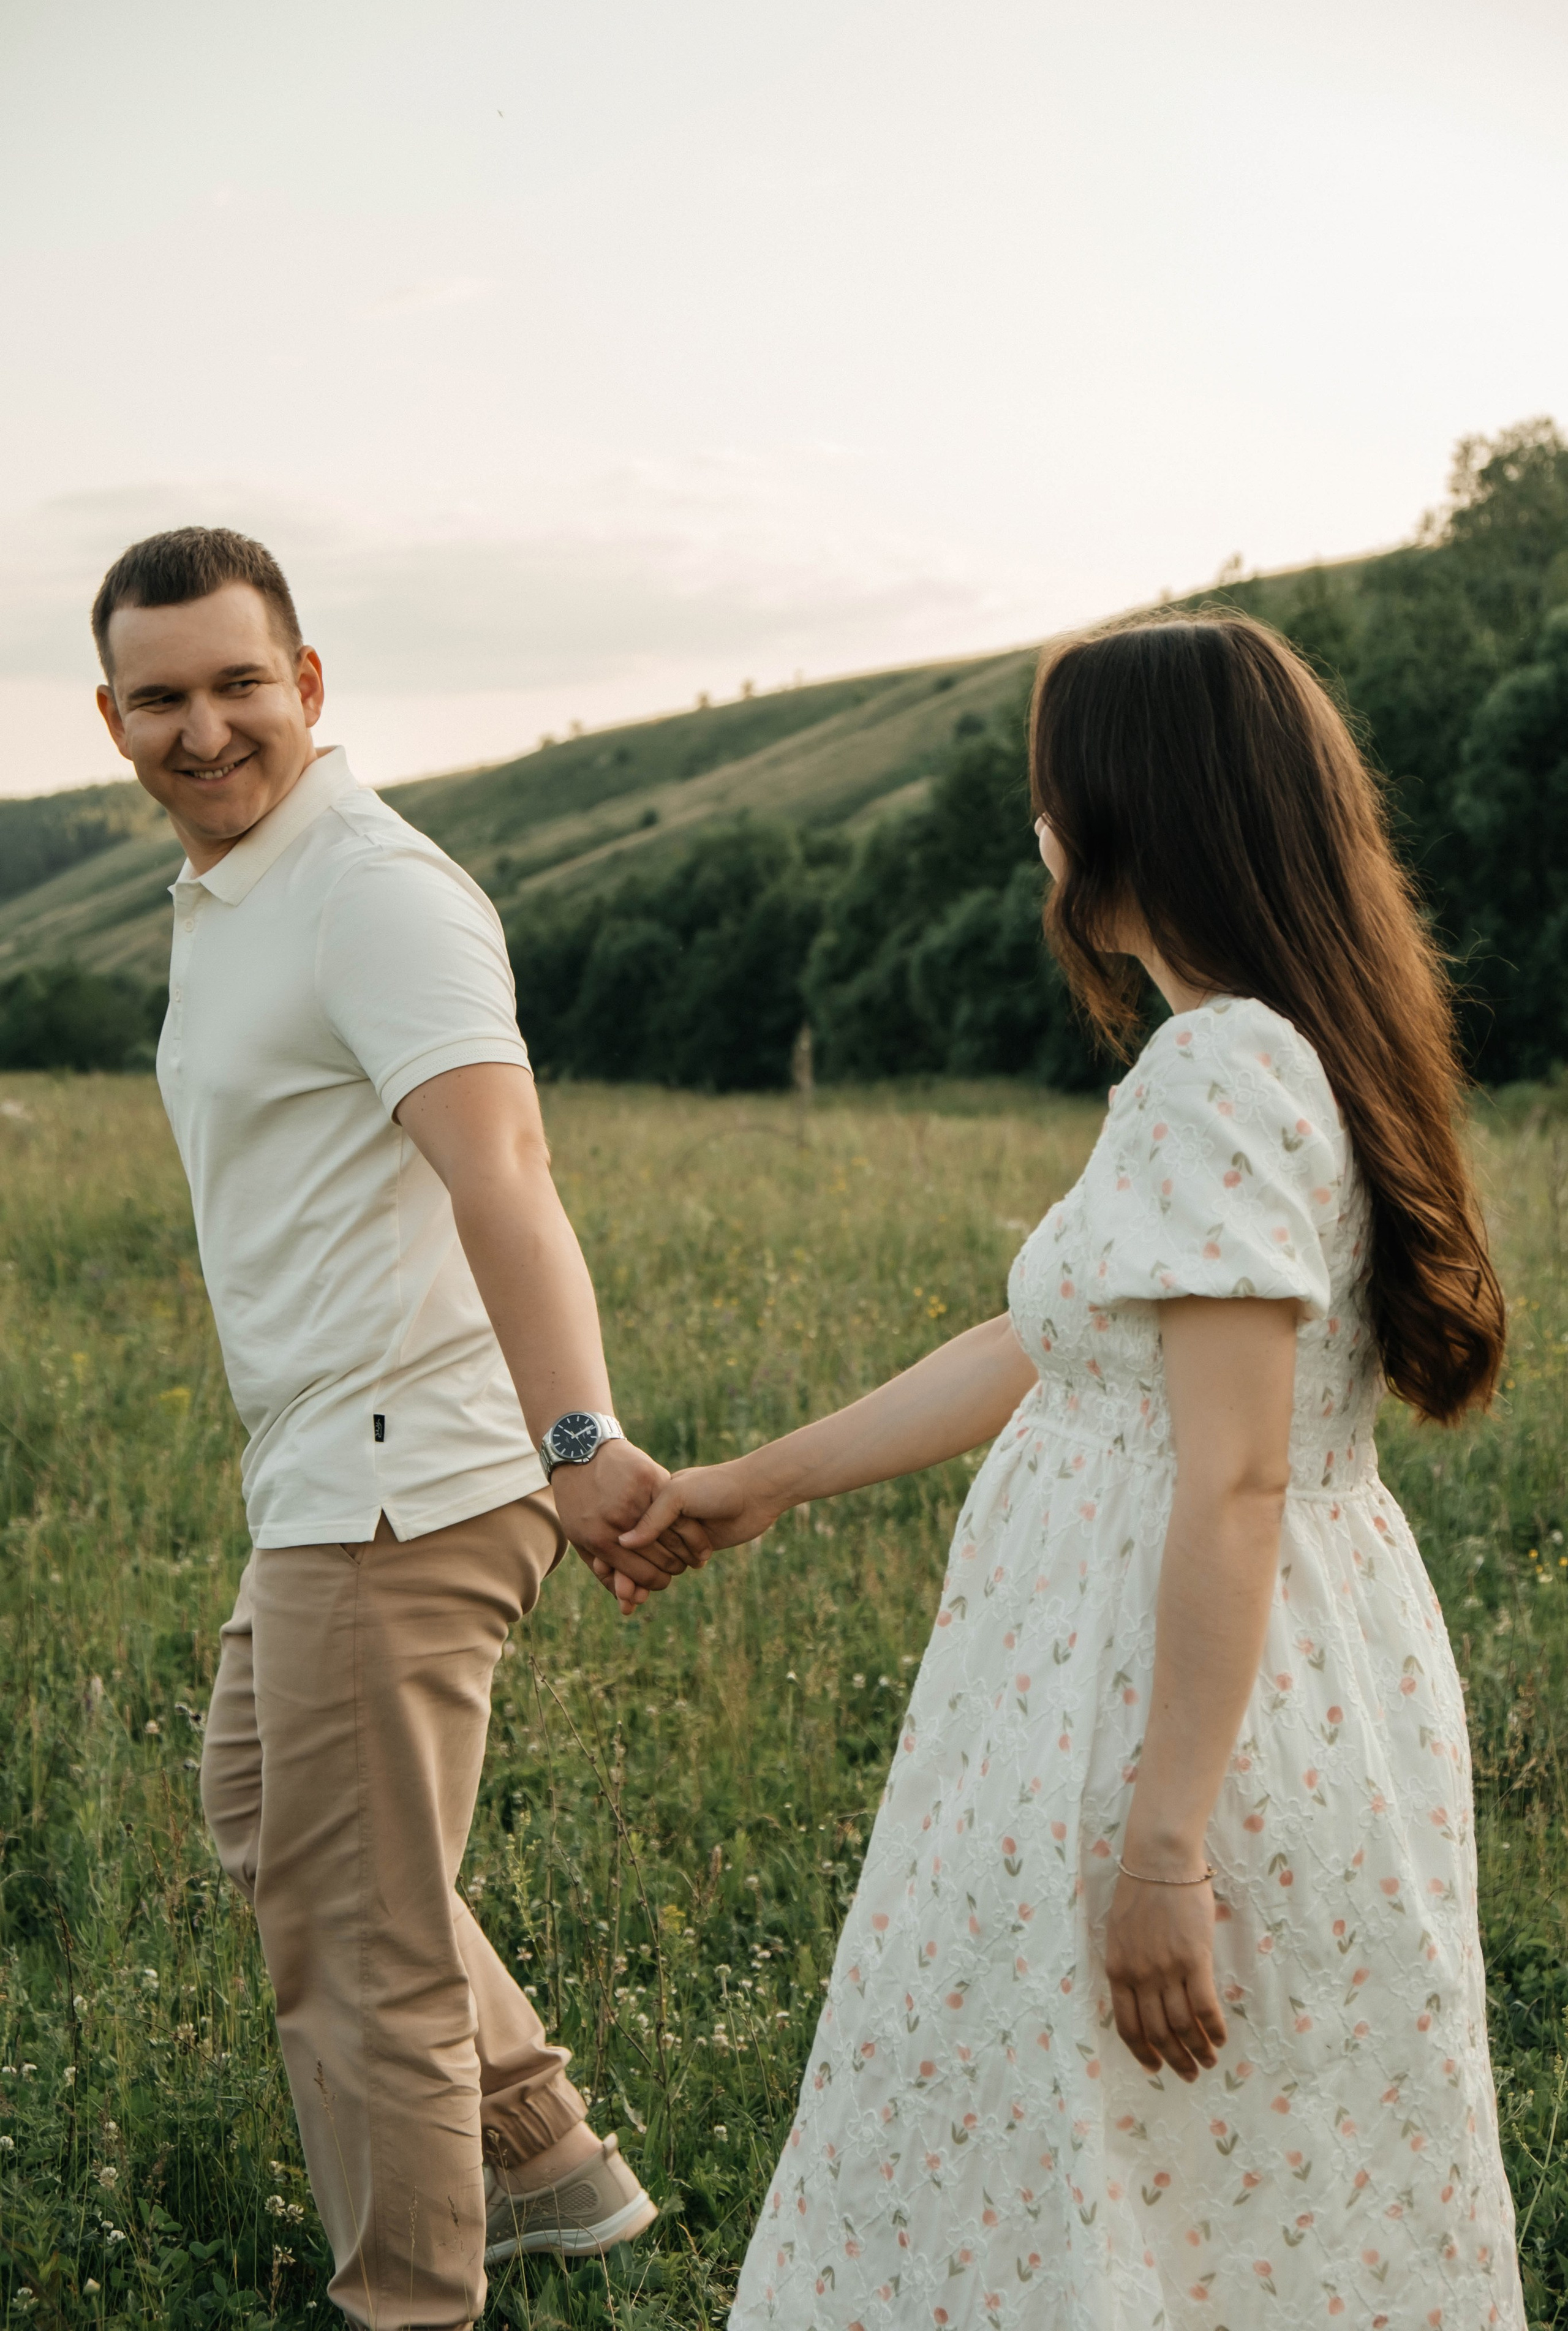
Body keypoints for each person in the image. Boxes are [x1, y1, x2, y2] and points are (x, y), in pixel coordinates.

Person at [616, 616, 1526, 2328]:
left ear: (1117, 817)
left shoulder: (1223, 1068)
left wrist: (1163, 1844)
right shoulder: (1277, 1047)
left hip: (1176, 1718)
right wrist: (769, 1480)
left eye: (1047, 790)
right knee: (1173, 2192)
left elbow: (1236, 1475)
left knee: (1120, 2175)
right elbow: (1048, 1343)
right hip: (1188, 1686)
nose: (1032, 828)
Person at [92, 527, 687, 2330]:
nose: (205, 729)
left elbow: (503, 1163)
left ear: (312, 686)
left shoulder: (370, 887)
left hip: (400, 1481)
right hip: (323, 1474)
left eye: (239, 685)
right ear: (110, 716)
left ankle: (408, 2299)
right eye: (165, 697)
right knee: (266, 1803)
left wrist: (578, 1437)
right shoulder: (244, 892)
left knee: (361, 1951)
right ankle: (548, 2162)